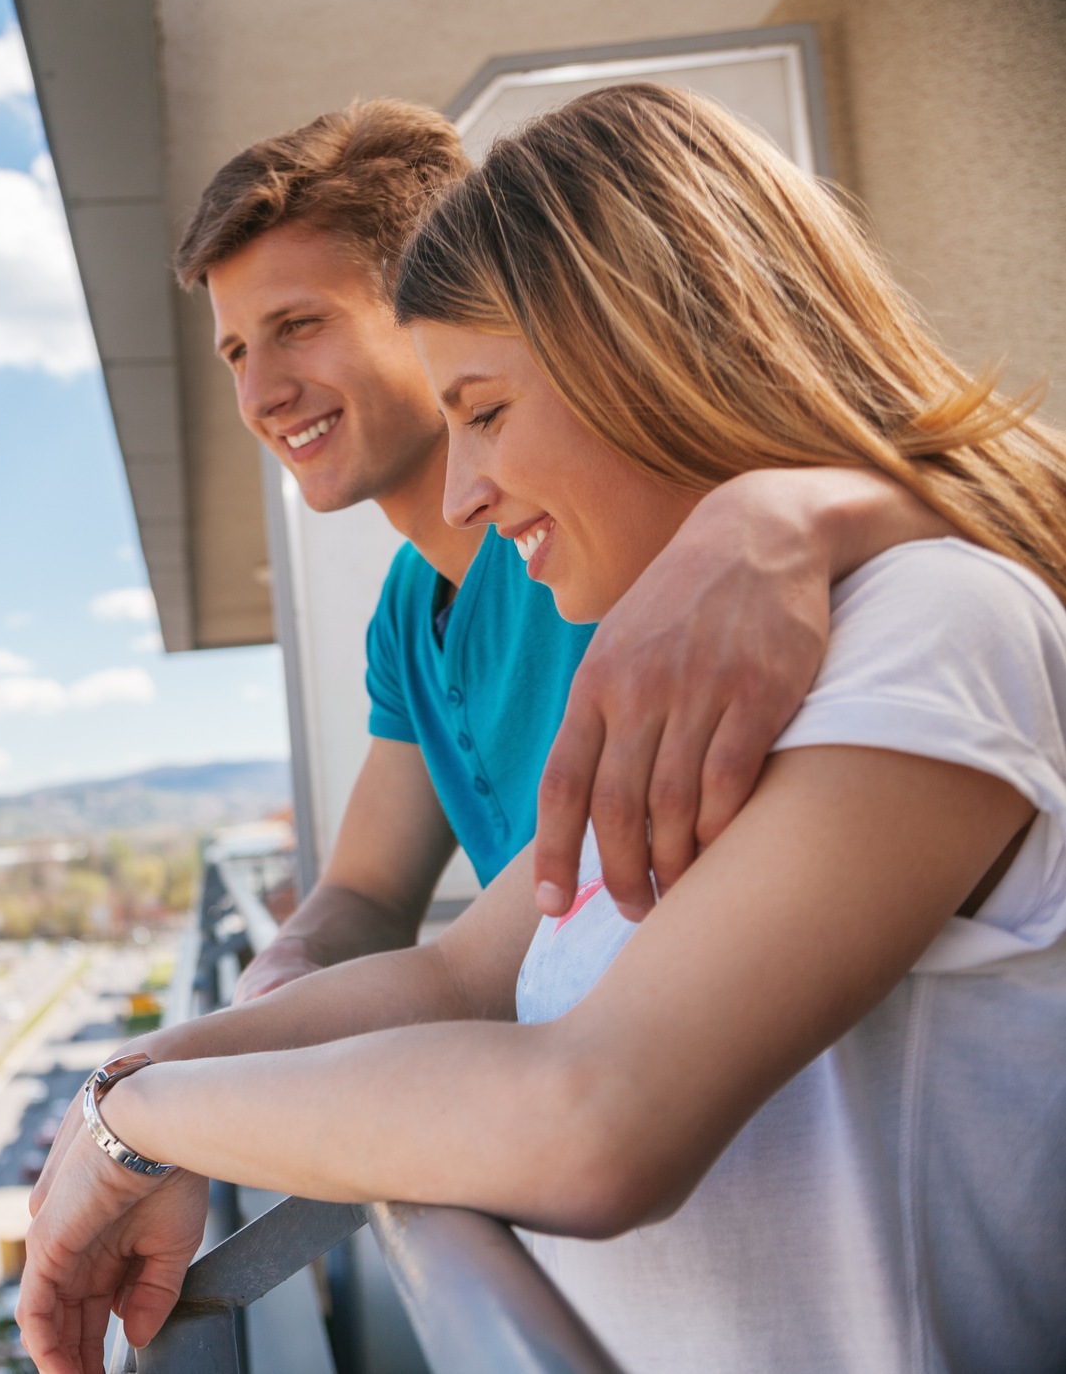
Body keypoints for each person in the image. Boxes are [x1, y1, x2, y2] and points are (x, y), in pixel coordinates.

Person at [18, 83, 1066, 1373]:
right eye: (237, 348)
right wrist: (122, 1098)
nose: (467, 486)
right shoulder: (672, 631)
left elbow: (597, 1118)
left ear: (644, 345)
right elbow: (458, 973)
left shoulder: (920, 622)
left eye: (488, 410)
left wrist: (161, 1123)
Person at [171, 100, 946, 1003]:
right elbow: (367, 890)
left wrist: (789, 513)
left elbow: (976, 511)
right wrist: (283, 972)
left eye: (297, 324)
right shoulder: (408, 608)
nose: (260, 392)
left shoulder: (603, 536)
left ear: (428, 298)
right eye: (234, 352)